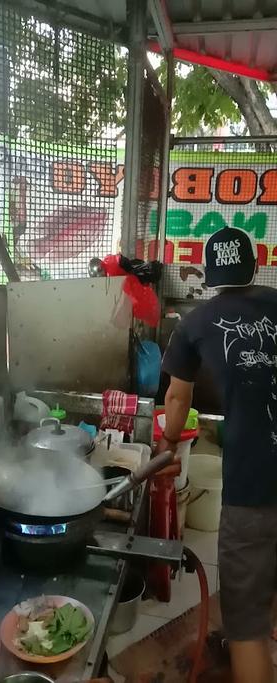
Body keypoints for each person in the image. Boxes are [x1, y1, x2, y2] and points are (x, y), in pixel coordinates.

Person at [157, 226, 277, 683]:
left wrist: (169, 443)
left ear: (209, 274)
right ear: (254, 264)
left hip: (253, 487)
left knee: (244, 625)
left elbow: (176, 399)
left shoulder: (196, 322)